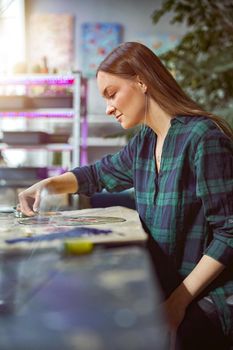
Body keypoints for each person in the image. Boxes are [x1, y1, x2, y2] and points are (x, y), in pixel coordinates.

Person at [18, 42, 233, 349]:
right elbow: (96, 174)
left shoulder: (202, 138)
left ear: (142, 81)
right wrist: (46, 186)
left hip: (210, 293)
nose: (108, 107)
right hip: (169, 286)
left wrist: (176, 303)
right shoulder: (145, 142)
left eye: (111, 93)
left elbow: (230, 231)